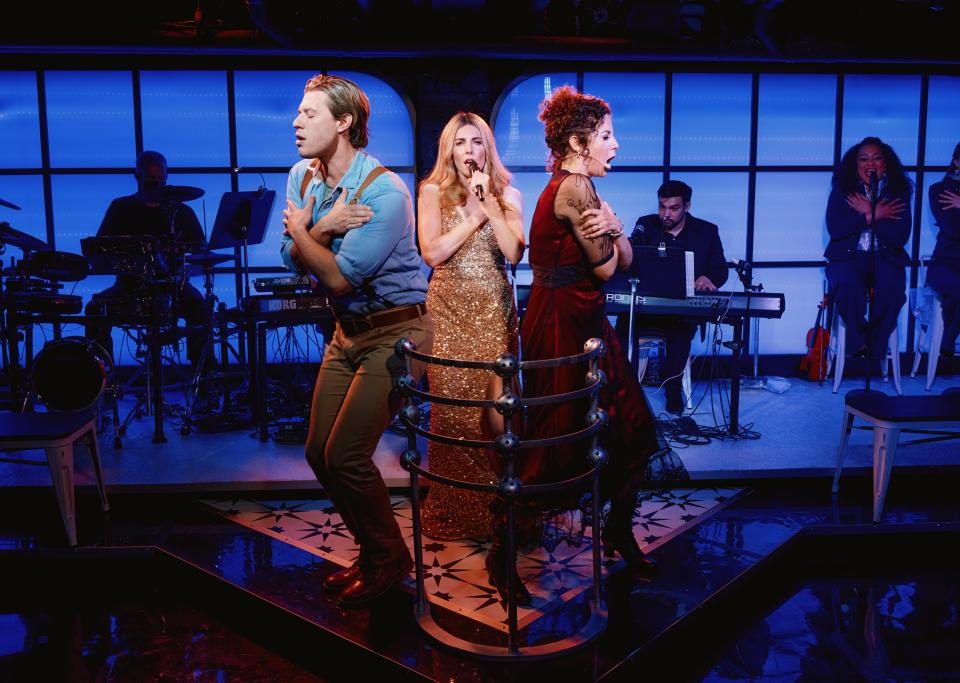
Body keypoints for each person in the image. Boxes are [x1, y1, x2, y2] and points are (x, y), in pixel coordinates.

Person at [502, 85, 662, 604]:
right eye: (608, 136)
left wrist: (615, 228)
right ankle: (501, 556)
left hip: (587, 320)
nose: (615, 146)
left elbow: (628, 257)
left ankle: (615, 530)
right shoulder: (574, 188)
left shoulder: (583, 184)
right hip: (560, 328)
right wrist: (615, 232)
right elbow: (610, 266)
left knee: (633, 429)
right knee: (553, 443)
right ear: (578, 141)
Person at [280, 74, 433, 606]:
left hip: (399, 333)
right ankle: (375, 555)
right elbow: (288, 258)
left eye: (309, 113)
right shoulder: (304, 176)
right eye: (298, 113)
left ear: (344, 122)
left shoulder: (387, 191)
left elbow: (340, 278)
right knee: (319, 454)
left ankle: (388, 560)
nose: (296, 122)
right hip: (347, 332)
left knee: (346, 454)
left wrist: (304, 232)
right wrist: (318, 230)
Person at [416, 112, 525, 541]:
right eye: (460, 143)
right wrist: (475, 216)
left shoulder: (508, 194)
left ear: (487, 149)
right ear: (449, 150)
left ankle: (503, 508)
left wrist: (492, 205)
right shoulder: (431, 192)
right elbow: (432, 252)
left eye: (476, 142)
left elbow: (515, 251)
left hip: (495, 316)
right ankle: (459, 510)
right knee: (452, 418)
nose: (468, 151)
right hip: (447, 314)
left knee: (500, 419)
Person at [84, 150, 209, 369]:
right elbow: (99, 246)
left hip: (174, 286)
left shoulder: (181, 211)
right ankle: (103, 378)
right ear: (137, 177)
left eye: (161, 180)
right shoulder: (121, 207)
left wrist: (177, 250)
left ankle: (202, 380)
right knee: (94, 310)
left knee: (201, 309)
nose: (157, 185)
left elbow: (201, 248)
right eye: (151, 181)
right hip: (129, 287)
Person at [619, 180, 728, 415]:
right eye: (662, 207)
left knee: (679, 331)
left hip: (681, 311)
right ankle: (624, 389)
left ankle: (673, 389)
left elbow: (720, 270)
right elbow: (628, 260)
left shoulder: (707, 232)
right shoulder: (645, 225)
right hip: (645, 308)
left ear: (687, 206)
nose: (666, 214)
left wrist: (706, 278)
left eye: (674, 208)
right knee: (623, 324)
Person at [825, 137, 912, 360]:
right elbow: (835, 230)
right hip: (848, 258)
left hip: (886, 258)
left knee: (892, 291)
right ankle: (858, 341)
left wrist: (872, 214)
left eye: (876, 158)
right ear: (856, 165)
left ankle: (874, 345)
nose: (870, 163)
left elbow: (900, 237)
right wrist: (870, 216)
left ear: (885, 164)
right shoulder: (843, 191)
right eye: (863, 159)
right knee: (847, 287)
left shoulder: (898, 193)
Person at [926, 141, 960, 359]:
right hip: (945, 264)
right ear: (956, 162)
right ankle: (948, 339)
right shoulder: (938, 190)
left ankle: (950, 332)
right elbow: (954, 230)